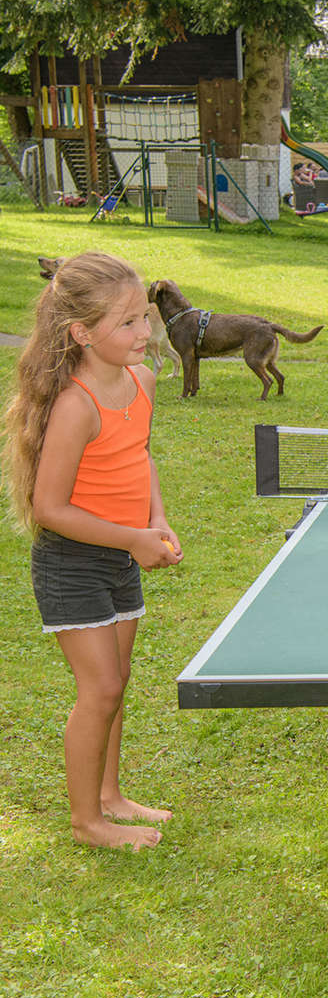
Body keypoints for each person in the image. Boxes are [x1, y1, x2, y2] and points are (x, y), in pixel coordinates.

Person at [2, 251, 183, 850]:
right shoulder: (75, 404)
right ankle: (87, 823)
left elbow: (141, 456)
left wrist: (154, 518)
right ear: (81, 333)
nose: (145, 332)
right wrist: (132, 537)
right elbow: (50, 507)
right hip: (70, 562)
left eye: (144, 317)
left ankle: (111, 796)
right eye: (127, 323)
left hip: (120, 555)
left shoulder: (143, 380)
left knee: (119, 679)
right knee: (99, 688)